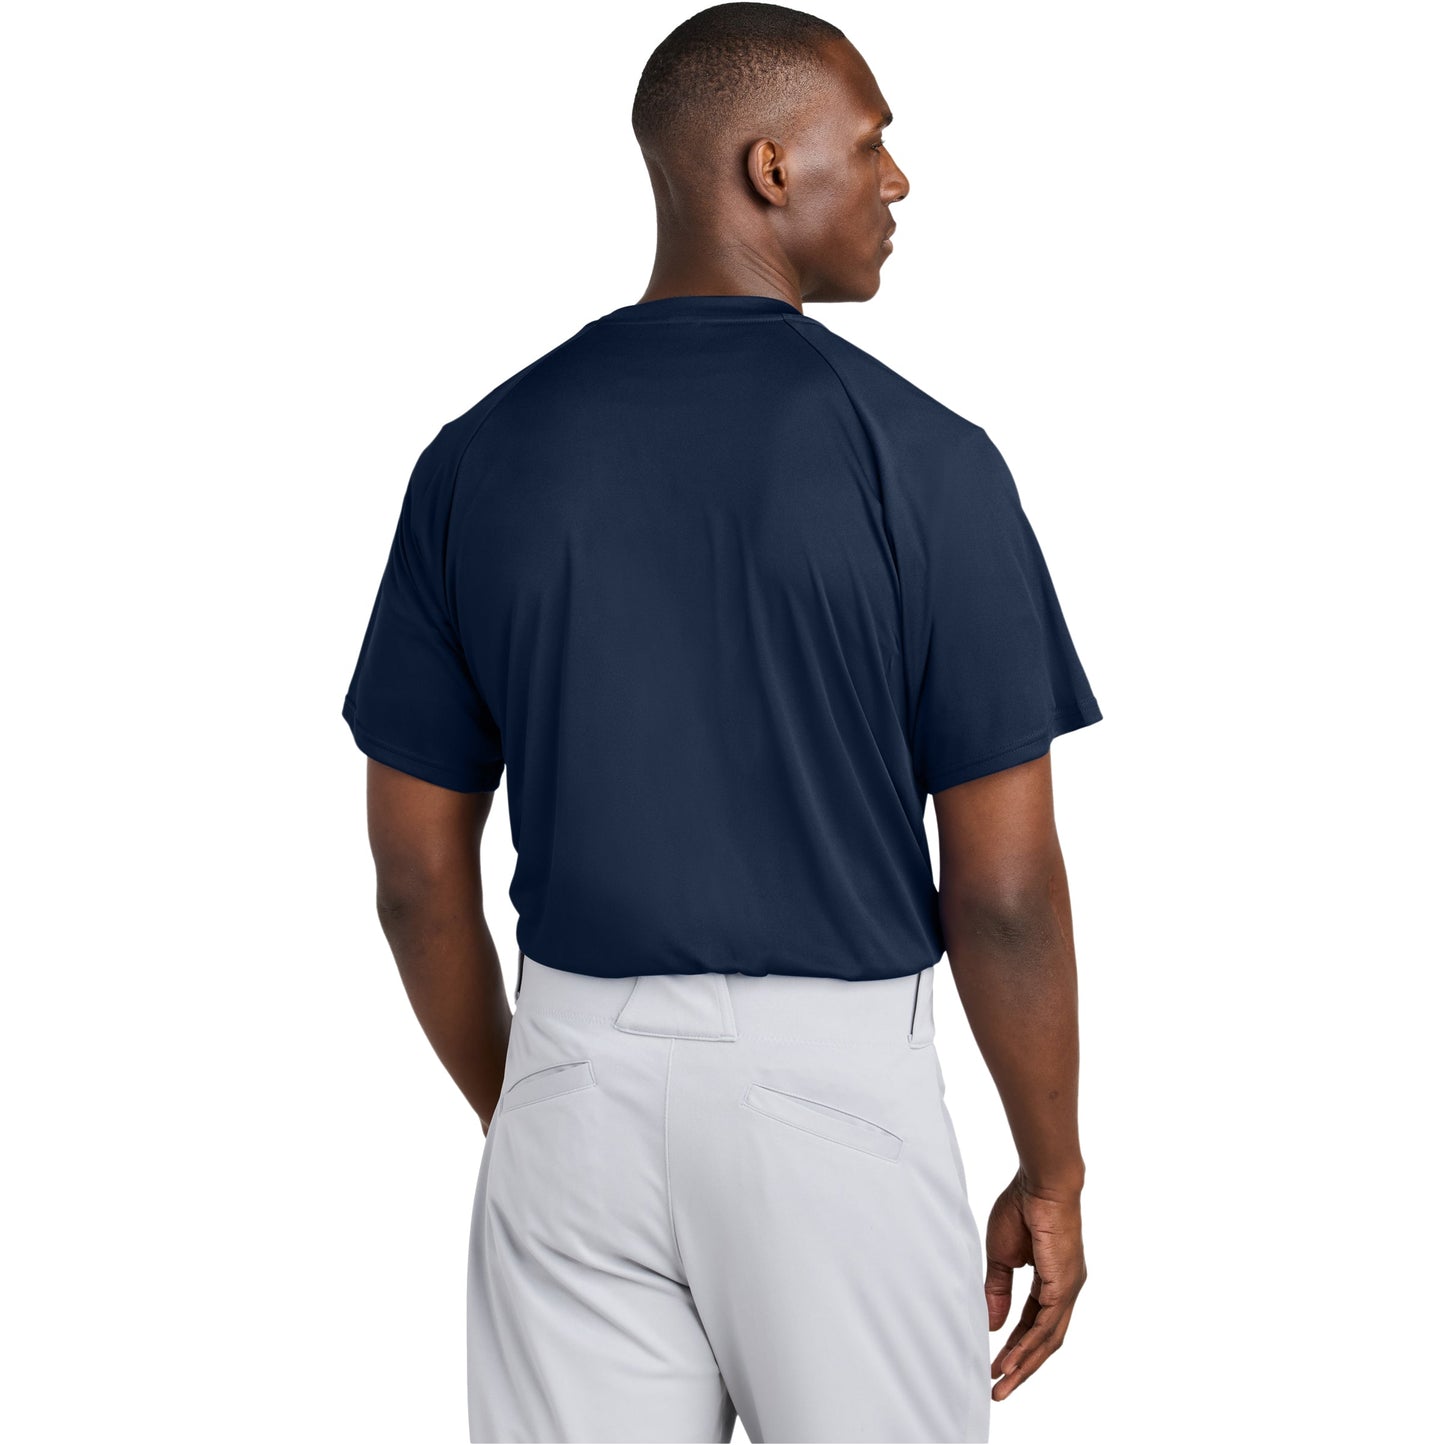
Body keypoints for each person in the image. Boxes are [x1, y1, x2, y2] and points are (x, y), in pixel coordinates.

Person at [341, 4, 1101, 1441]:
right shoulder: (925, 462)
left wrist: (538, 1104)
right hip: (834, 1097)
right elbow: (1002, 892)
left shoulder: (476, 459)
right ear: (769, 167)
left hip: (569, 1070)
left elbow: (412, 875)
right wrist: (1051, 1171)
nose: (895, 179)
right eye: (869, 143)